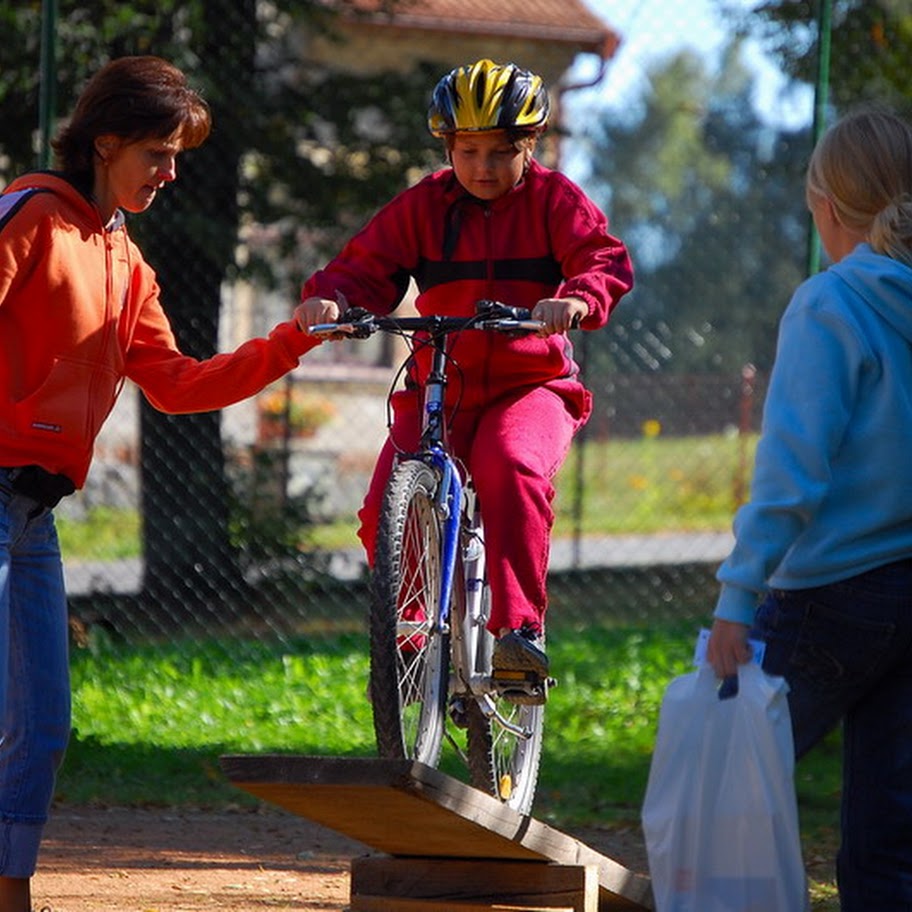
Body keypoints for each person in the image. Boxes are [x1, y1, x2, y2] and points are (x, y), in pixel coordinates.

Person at [0, 56, 319, 911]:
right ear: (105, 143)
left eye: (179, 157)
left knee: (41, 724)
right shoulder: (29, 218)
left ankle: (11, 890)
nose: (172, 173)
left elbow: (180, 384)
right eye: (159, 154)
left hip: (33, 514)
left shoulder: (124, 262)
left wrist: (288, 340)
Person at [298, 59, 633, 701]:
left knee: (509, 466)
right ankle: (414, 639)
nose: (482, 167)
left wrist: (579, 299)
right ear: (447, 146)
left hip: (529, 386)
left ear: (528, 146)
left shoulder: (553, 201)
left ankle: (517, 637)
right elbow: (363, 267)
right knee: (384, 512)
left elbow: (601, 258)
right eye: (468, 150)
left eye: (501, 152)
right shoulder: (423, 207)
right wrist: (334, 301)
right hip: (439, 387)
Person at [706, 107, 912, 911]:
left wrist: (736, 595)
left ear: (826, 205)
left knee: (725, 790)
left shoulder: (831, 305)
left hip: (830, 595)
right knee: (891, 841)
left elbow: (792, 473)